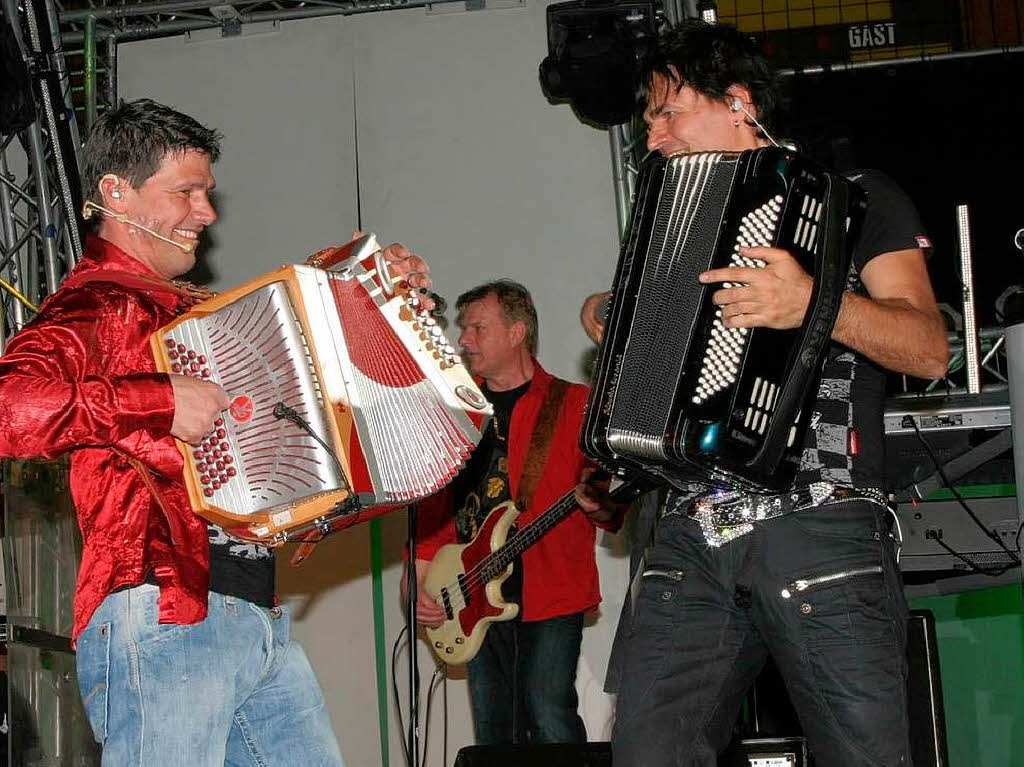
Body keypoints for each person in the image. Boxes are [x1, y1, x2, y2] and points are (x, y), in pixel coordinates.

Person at [0, 98, 433, 766]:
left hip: (253, 616)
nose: (206, 213)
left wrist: (379, 307)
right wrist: (155, 400)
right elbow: (9, 406)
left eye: (207, 193)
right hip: (162, 613)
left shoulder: (200, 316)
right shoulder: (93, 305)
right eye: (186, 192)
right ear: (116, 192)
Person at [576, 21, 948, 767]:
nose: (653, 137)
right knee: (647, 752)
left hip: (822, 526)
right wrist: (614, 335)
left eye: (667, 112)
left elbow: (929, 349)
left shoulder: (858, 199)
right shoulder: (670, 230)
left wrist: (815, 301)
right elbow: (672, 388)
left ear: (739, 103)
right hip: (690, 532)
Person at [404, 279, 620, 746]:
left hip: (551, 590)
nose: (464, 340)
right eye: (464, 329)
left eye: (479, 328)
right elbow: (435, 512)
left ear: (517, 332)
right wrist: (419, 582)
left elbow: (610, 505)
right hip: (471, 595)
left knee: (549, 714)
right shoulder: (454, 413)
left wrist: (601, 503)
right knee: (493, 730)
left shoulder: (576, 405)